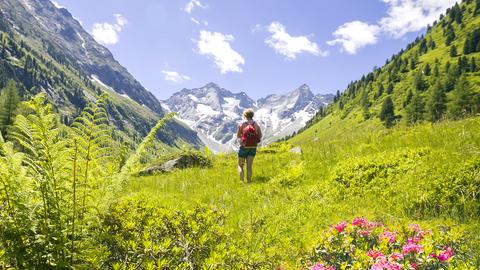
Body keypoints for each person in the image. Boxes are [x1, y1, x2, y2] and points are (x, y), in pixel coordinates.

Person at [237, 108, 262, 183]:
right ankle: (249, 182)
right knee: (249, 166)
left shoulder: (242, 125)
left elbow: (238, 136)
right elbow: (260, 136)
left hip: (244, 147)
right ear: (252, 115)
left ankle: (241, 182)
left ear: (245, 115)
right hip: (253, 148)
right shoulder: (256, 125)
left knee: (240, 165)